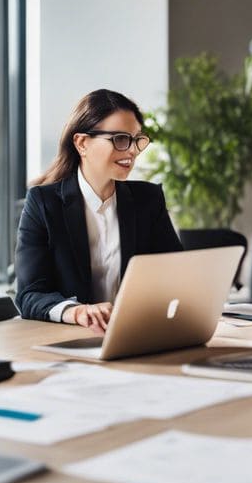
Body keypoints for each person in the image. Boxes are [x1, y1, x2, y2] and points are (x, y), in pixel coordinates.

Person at [15, 89, 182, 331]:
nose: (133, 151)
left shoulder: (148, 199)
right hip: (71, 339)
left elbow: (177, 275)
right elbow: (30, 295)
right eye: (120, 139)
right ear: (82, 143)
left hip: (137, 332)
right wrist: (77, 311)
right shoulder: (43, 203)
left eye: (136, 140)